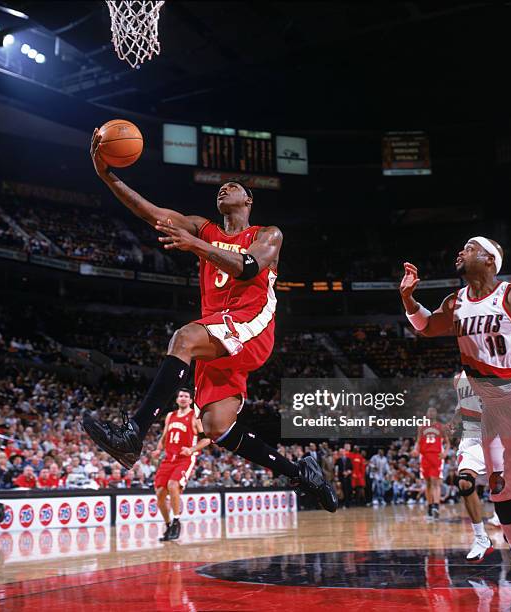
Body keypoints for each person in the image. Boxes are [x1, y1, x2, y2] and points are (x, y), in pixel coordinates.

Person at [83, 129, 337, 513]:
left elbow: (248, 267)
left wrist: (199, 247)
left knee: (183, 338)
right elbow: (151, 213)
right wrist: (107, 175)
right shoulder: (204, 227)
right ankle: (300, 472)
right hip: (219, 334)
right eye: (220, 187)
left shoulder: (267, 233)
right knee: (218, 427)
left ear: (248, 200)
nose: (224, 189)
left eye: (233, 187)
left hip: (251, 325)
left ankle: (133, 433)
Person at [400, 236, 511, 611]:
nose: (460, 252)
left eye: (469, 248)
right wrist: (409, 299)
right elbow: (427, 328)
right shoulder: (455, 302)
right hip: (493, 410)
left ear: (490, 259)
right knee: (502, 494)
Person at [152, 389, 210, 541]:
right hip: (168, 459)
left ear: (191, 400)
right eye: (180, 396)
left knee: (173, 485)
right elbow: (164, 437)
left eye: (186, 396)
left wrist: (192, 449)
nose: (183, 398)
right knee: (159, 495)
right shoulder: (170, 416)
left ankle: (177, 521)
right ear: (177, 399)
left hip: (185, 459)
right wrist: (158, 449)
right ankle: (169, 524)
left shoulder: (195, 417)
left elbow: (207, 439)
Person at [448, 371, 494, 560]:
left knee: (508, 490)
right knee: (465, 482)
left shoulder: (495, 367)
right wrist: (454, 421)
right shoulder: (458, 379)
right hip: (472, 438)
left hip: (497, 433)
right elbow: (462, 407)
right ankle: (481, 537)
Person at [413, 406, 450, 521]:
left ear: (436, 413)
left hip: (436, 456)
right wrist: (415, 449)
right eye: (429, 411)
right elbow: (418, 442)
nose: (431, 413)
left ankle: (436, 507)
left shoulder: (441, 427)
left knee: (436, 482)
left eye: (433, 411)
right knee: (428, 483)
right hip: (424, 457)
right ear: (426, 413)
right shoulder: (421, 427)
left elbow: (448, 443)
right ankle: (430, 508)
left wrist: (445, 452)